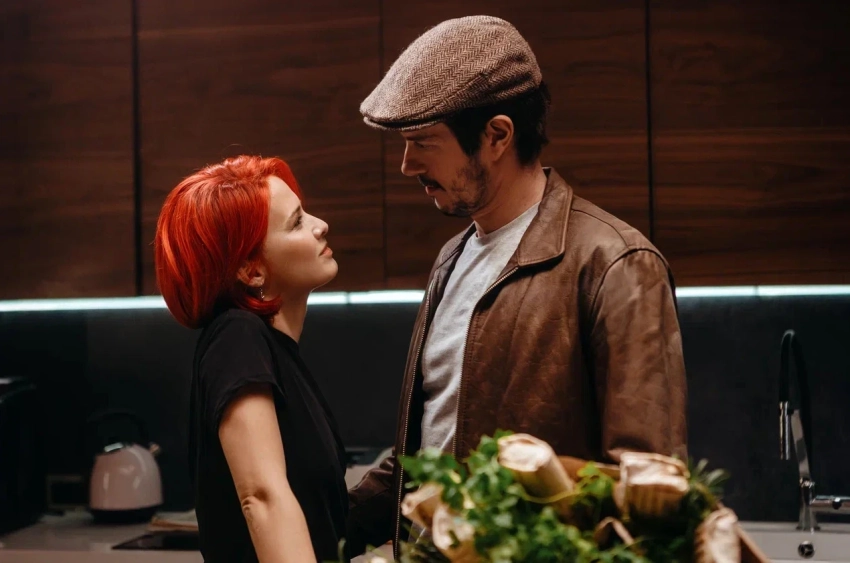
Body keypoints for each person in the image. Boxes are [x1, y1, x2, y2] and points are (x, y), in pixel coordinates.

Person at [346, 15, 688, 558]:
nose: (407, 165)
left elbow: (648, 487)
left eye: (423, 143)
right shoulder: (452, 258)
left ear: (497, 135)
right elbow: (429, 451)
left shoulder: (616, 263)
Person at [154, 155, 348, 562]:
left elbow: (323, 519)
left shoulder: (279, 353)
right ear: (252, 271)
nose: (320, 225)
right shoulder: (237, 336)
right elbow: (261, 496)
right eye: (297, 222)